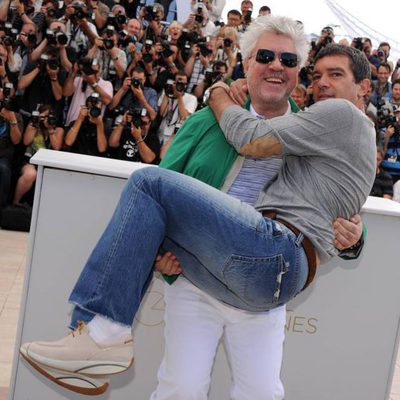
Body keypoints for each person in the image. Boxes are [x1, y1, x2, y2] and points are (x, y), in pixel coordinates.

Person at [19, 16, 376, 398]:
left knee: (259, 391)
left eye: (288, 61)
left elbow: (331, 194)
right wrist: (157, 251)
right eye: (266, 56)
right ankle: (100, 340)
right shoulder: (207, 122)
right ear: (247, 62)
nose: (276, 66)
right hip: (199, 273)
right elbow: (165, 186)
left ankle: (103, 334)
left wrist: (354, 238)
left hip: (264, 263)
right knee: (180, 388)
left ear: (295, 74)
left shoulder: (313, 124)